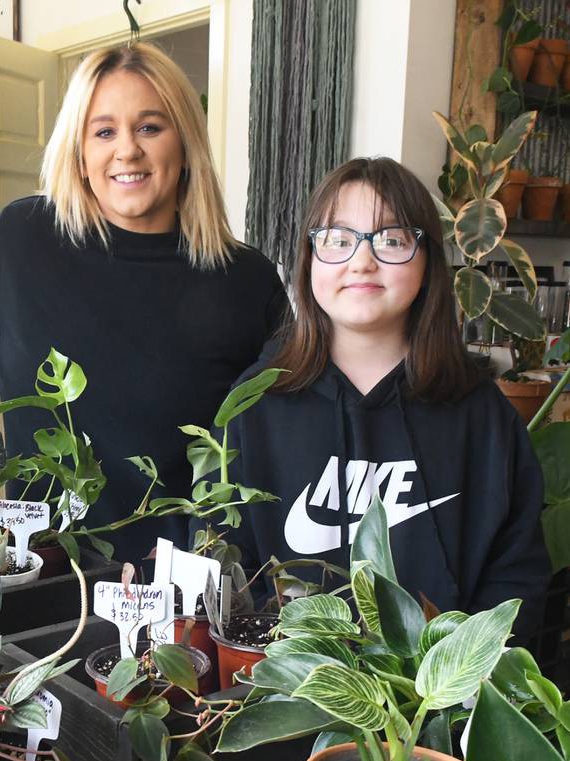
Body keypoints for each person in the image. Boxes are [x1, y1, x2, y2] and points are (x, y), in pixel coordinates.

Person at [0, 43, 287, 563]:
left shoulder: (245, 280)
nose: (127, 151)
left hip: (183, 594)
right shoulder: (17, 242)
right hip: (41, 577)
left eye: (150, 127)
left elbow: (276, 447)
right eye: (104, 131)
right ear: (80, 153)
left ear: (186, 144)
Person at [224, 157, 549, 632]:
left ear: (428, 260)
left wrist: (456, 679)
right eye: (338, 239)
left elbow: (516, 574)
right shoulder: (255, 403)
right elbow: (224, 559)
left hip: (441, 697)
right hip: (284, 686)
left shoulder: (482, 416)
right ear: (309, 257)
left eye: (391, 240)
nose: (361, 261)